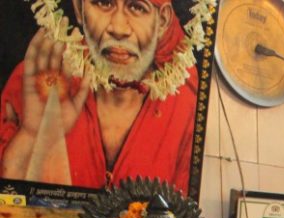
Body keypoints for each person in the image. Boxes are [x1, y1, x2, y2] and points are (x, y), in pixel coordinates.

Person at [0, 0, 197, 193]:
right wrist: (32, 135)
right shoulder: (38, 80)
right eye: (104, 3)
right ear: (79, 9)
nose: (118, 29)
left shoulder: (185, 104)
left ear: (162, 21)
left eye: (137, 7)